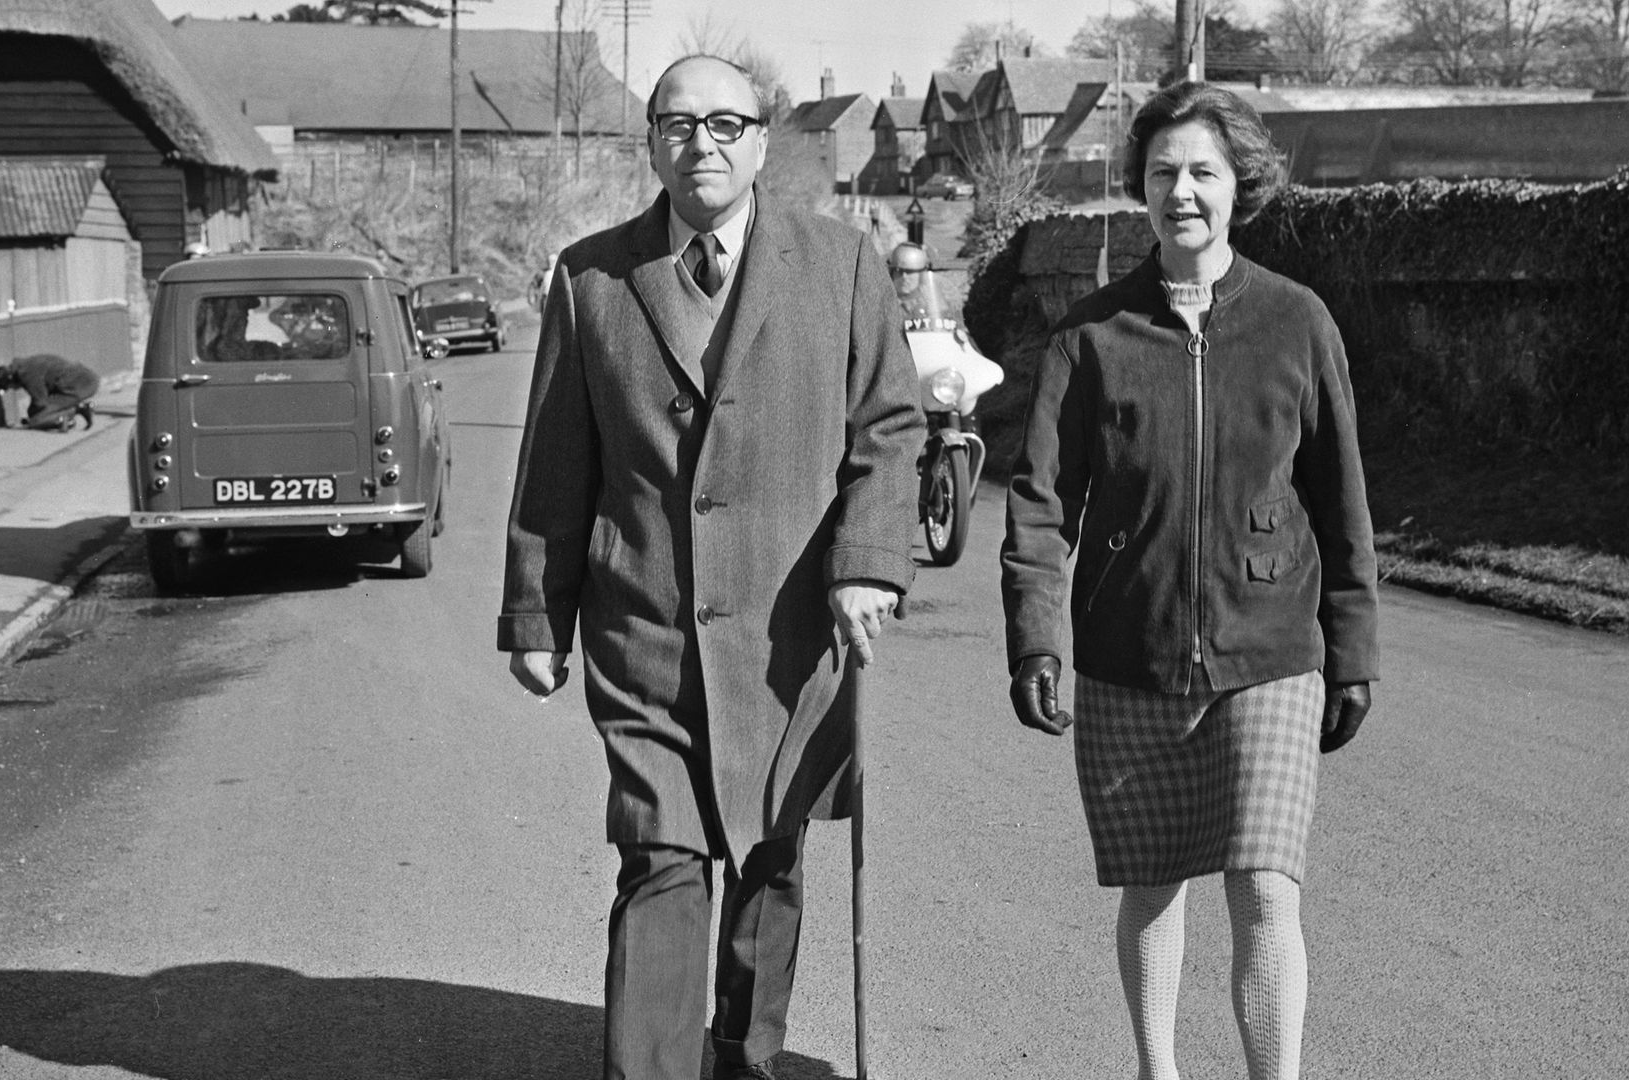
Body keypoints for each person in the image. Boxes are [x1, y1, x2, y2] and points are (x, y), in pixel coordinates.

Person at [499, 54, 922, 1080]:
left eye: (727, 124)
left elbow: (892, 429)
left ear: (763, 141)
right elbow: (557, 458)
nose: (703, 145)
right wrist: (535, 616)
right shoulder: (591, 276)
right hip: (643, 626)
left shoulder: (842, 264)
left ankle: (742, 1054)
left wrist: (868, 563)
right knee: (663, 857)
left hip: (790, 635)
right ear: (651, 142)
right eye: (679, 125)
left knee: (772, 857)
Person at [999, 81, 1379, 1080]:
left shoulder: (1298, 324)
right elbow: (1039, 504)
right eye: (1163, 173)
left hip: (1272, 647)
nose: (1182, 193)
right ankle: (1158, 1071)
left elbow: (1341, 501)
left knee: (1264, 884)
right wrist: (1038, 637)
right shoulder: (1093, 337)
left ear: (1238, 184)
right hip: (1131, 651)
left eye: (1203, 172)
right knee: (1154, 882)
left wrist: (1355, 649)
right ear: (1141, 190)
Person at [0, 354, 99, 432]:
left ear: (10, 379)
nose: (13, 389)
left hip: (79, 385)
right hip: (84, 379)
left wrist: (32, 415)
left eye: (9, 387)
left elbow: (40, 402)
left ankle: (67, 417)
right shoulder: (27, 364)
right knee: (37, 413)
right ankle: (79, 409)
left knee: (36, 420)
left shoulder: (26, 374)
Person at [887, 241, 943, 321]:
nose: (904, 277)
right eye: (898, 270)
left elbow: (949, 322)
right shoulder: (883, 300)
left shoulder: (932, 297)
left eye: (910, 271)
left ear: (921, 274)